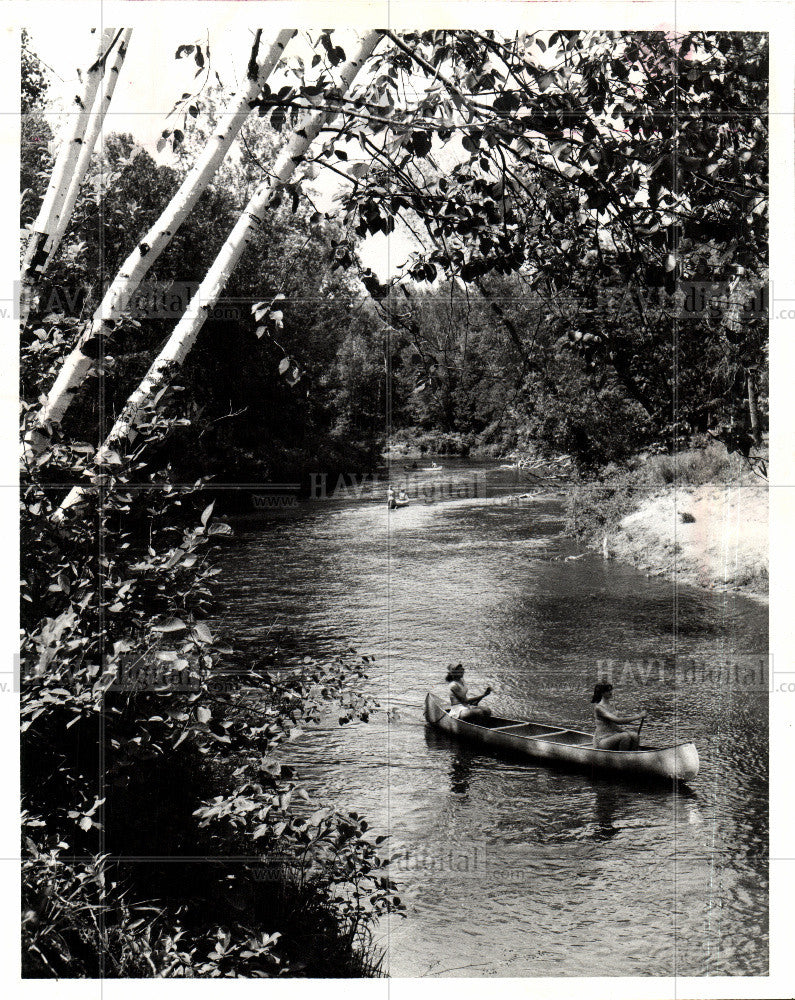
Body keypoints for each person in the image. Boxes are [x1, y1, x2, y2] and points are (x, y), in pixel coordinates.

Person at [591, 682, 645, 750]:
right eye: (607, 691)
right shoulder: (599, 708)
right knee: (625, 736)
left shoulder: (611, 705)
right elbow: (618, 721)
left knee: (635, 736)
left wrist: (624, 731)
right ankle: (622, 758)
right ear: (602, 693)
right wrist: (639, 716)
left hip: (613, 736)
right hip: (602, 740)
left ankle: (632, 756)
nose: (610, 692)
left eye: (611, 690)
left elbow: (613, 725)